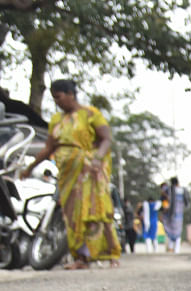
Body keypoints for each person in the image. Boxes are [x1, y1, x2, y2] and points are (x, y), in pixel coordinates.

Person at [19, 79, 121, 269]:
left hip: (89, 172)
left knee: (96, 212)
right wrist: (30, 167)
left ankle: (110, 254)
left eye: (58, 97)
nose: (56, 101)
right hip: (67, 174)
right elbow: (48, 148)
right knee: (72, 215)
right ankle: (81, 258)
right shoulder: (57, 121)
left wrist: (97, 158)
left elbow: (106, 139)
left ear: (70, 94)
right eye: (53, 98)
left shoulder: (90, 114)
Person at [164, 176, 189, 254]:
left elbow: (164, 196)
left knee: (171, 230)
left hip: (171, 214)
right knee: (177, 231)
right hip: (179, 214)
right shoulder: (183, 190)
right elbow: (187, 203)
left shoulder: (170, 189)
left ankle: (171, 247)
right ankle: (176, 249)